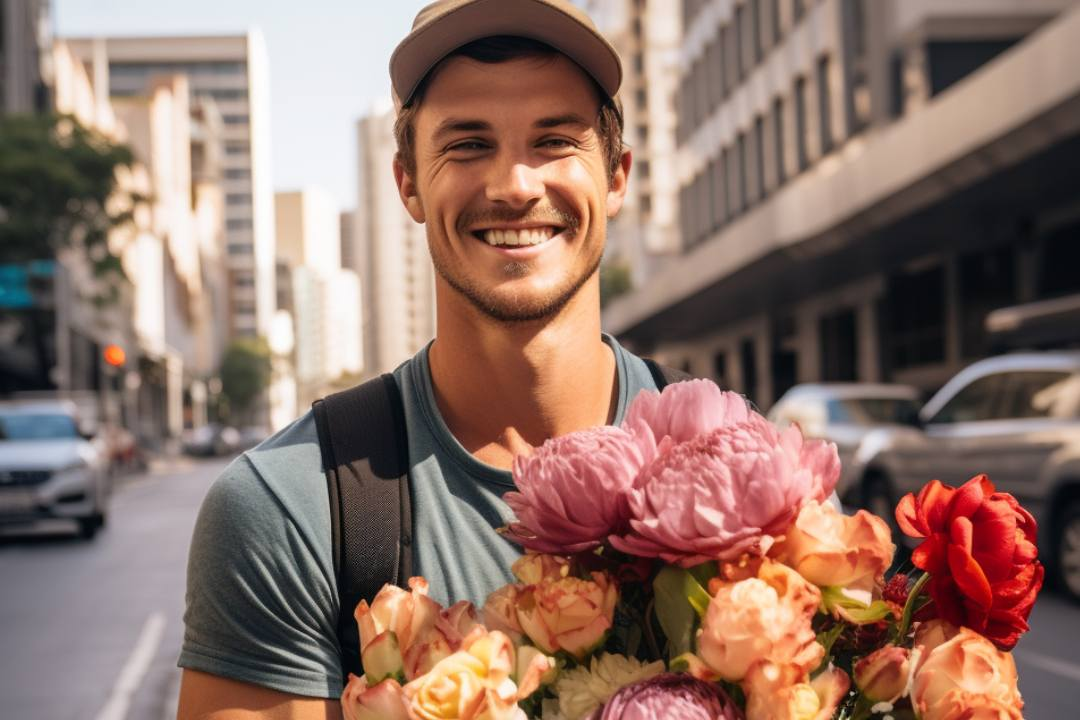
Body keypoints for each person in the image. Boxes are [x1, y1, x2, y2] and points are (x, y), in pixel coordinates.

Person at [176, 1, 665, 716]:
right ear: (408, 183)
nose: (515, 185)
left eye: (555, 140)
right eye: (468, 146)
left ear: (617, 176)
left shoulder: (755, 486)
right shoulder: (285, 511)